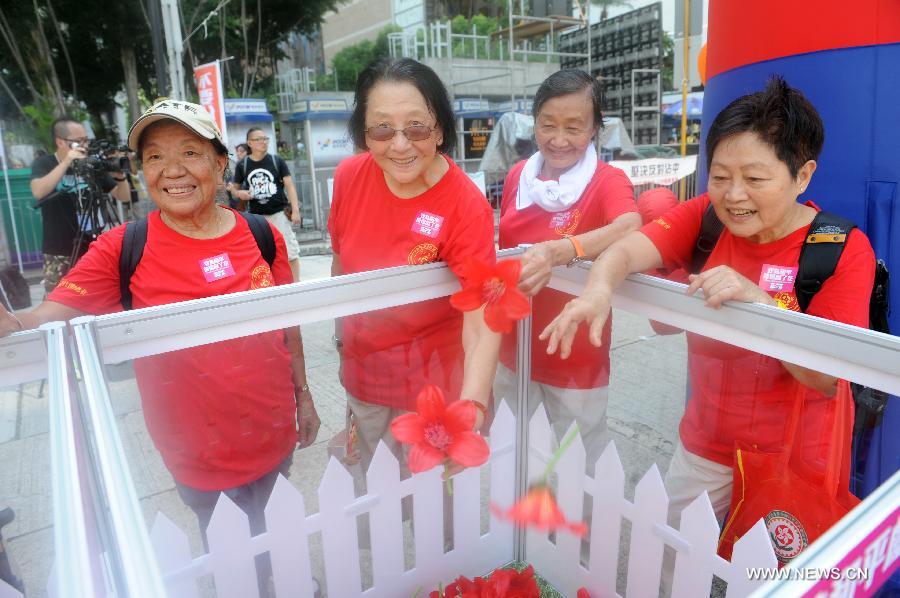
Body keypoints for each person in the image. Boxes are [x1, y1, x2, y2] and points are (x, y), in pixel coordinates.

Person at [541, 77, 875, 526]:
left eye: (755, 178)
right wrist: (599, 289)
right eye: (720, 177)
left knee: (775, 577)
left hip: (796, 456)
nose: (734, 196)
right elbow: (625, 251)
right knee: (669, 561)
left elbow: (829, 380)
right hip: (705, 444)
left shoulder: (841, 250)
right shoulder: (705, 216)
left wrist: (762, 305)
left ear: (803, 175)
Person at [1, 100, 320, 555]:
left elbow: (288, 324)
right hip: (195, 454)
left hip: (273, 433)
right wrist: (14, 321)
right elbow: (45, 315)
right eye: (155, 157)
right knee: (232, 553)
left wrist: (303, 394)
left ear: (220, 161)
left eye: (190, 152)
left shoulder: (260, 235)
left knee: (277, 536)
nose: (172, 170)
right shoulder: (124, 246)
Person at [329, 57, 500, 477]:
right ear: (364, 132)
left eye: (417, 127)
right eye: (382, 128)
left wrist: (473, 406)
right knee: (371, 499)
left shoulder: (465, 206)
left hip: (433, 393)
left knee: (432, 512)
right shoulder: (350, 177)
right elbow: (339, 265)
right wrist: (342, 345)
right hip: (365, 378)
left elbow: (483, 316)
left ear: (440, 129)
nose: (400, 145)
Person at [494, 69, 641, 464]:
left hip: (575, 353)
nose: (559, 140)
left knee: (582, 467)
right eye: (548, 125)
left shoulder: (606, 180)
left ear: (595, 129)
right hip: (513, 347)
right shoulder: (517, 178)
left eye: (575, 128)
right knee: (515, 456)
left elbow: (629, 225)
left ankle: (585, 528)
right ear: (534, 121)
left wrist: (563, 250)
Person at [30, 117, 131, 294]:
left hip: (94, 246)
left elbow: (123, 196)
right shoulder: (45, 163)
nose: (84, 145)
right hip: (60, 249)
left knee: (100, 297)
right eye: (78, 141)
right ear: (60, 142)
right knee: (58, 299)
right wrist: (68, 161)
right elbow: (39, 191)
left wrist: (120, 175)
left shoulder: (91, 164)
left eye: (86, 140)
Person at [231, 129, 302, 282]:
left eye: (265, 138)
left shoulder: (277, 161)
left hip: (278, 214)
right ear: (250, 143)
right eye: (259, 139)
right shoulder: (243, 165)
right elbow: (233, 188)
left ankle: (297, 285)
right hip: (257, 219)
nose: (263, 142)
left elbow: (289, 185)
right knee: (260, 255)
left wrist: (295, 210)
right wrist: (239, 194)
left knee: (290, 252)